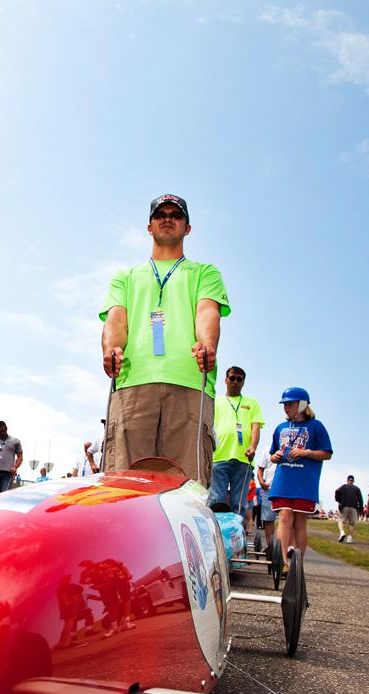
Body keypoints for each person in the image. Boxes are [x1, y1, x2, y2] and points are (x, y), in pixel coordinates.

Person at [100, 195, 230, 484]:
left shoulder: (205, 273)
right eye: (160, 215)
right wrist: (112, 349)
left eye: (176, 215)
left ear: (187, 228)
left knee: (187, 488)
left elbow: (207, 313)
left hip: (190, 383)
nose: (167, 218)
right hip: (134, 383)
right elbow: (115, 319)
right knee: (123, 483)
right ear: (150, 227)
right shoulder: (126, 276)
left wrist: (207, 345)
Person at [267, 387, 333, 560]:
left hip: (304, 482)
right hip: (283, 481)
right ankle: (282, 562)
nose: (286, 407)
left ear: (302, 404)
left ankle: (297, 564)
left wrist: (306, 453)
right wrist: (275, 457)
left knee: (299, 522)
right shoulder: (280, 427)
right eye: (284, 404)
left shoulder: (316, 426)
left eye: (290, 404)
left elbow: (327, 453)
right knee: (284, 516)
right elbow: (273, 454)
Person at [207, 366, 265, 519]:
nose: (235, 382)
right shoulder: (215, 402)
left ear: (243, 382)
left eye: (239, 379)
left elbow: (255, 427)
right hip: (219, 456)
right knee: (216, 499)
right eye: (232, 378)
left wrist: (252, 447)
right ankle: (215, 533)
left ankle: (234, 535)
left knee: (238, 502)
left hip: (243, 458)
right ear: (225, 380)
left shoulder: (252, 403)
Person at [0, 420, 22, 493]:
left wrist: (15, 467)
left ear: (6, 429)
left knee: (3, 495)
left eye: (2, 431)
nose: (1, 433)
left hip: (7, 473)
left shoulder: (15, 441)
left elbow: (20, 456)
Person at [334, 474, 364, 544]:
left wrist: (339, 500)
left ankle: (342, 532)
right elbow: (360, 499)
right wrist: (361, 508)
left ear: (347, 480)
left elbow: (337, 491)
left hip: (344, 506)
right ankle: (349, 538)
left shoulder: (343, 486)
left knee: (341, 521)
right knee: (351, 523)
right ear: (353, 481)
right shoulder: (357, 489)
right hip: (354, 507)